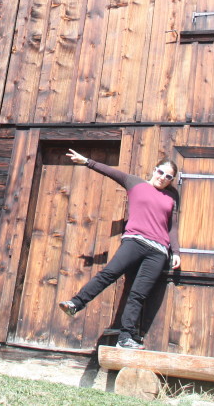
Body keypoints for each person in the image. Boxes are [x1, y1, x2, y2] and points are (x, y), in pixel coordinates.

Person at [58, 149, 181, 350]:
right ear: (154, 170)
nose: (163, 178)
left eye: (169, 177)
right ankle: (75, 304)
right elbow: (110, 172)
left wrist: (175, 252)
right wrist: (87, 161)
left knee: (138, 294)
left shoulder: (171, 197)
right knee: (109, 273)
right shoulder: (135, 183)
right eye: (161, 173)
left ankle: (126, 338)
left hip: (158, 251)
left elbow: (172, 227)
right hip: (134, 241)